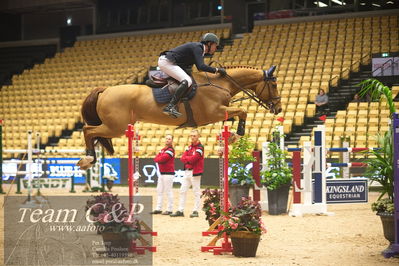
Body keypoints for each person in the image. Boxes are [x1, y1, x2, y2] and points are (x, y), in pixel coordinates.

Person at [158, 33, 227, 118]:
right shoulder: (198, 48)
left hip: (171, 62)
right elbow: (201, 66)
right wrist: (217, 70)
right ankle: (170, 106)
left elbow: (199, 68)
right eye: (215, 45)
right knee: (187, 80)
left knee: (188, 78)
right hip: (167, 62)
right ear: (209, 43)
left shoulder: (199, 49)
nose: (216, 48)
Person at [170, 129, 204, 218]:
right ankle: (180, 210)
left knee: (196, 192)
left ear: (198, 136)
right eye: (191, 136)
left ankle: (196, 210)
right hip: (187, 172)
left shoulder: (200, 148)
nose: (192, 137)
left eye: (194, 136)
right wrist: (189, 159)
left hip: (195, 172)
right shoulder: (189, 147)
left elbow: (194, 159)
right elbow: (182, 158)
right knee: (182, 190)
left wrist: (187, 159)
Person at [150, 134, 175, 215]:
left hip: (168, 174)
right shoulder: (163, 149)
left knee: (168, 191)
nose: (167, 140)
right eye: (166, 138)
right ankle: (158, 208)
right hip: (161, 174)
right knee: (159, 191)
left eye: (169, 139)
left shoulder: (170, 150)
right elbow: (157, 158)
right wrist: (158, 158)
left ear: (172, 141)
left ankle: (170, 209)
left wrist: (158, 158)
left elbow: (161, 159)